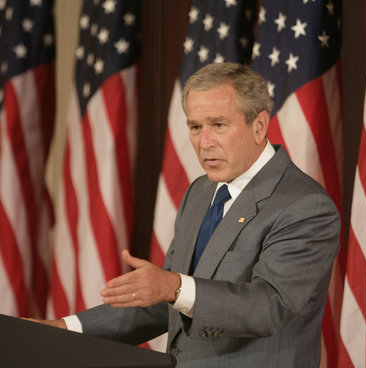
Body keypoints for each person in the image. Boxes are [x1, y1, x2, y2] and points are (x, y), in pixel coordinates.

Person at [35, 62, 340, 367]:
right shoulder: (201, 192)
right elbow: (167, 302)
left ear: (259, 126)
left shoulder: (304, 205)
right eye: (195, 127)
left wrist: (172, 286)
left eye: (218, 125)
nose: (204, 142)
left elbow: (269, 306)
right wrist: (67, 329)